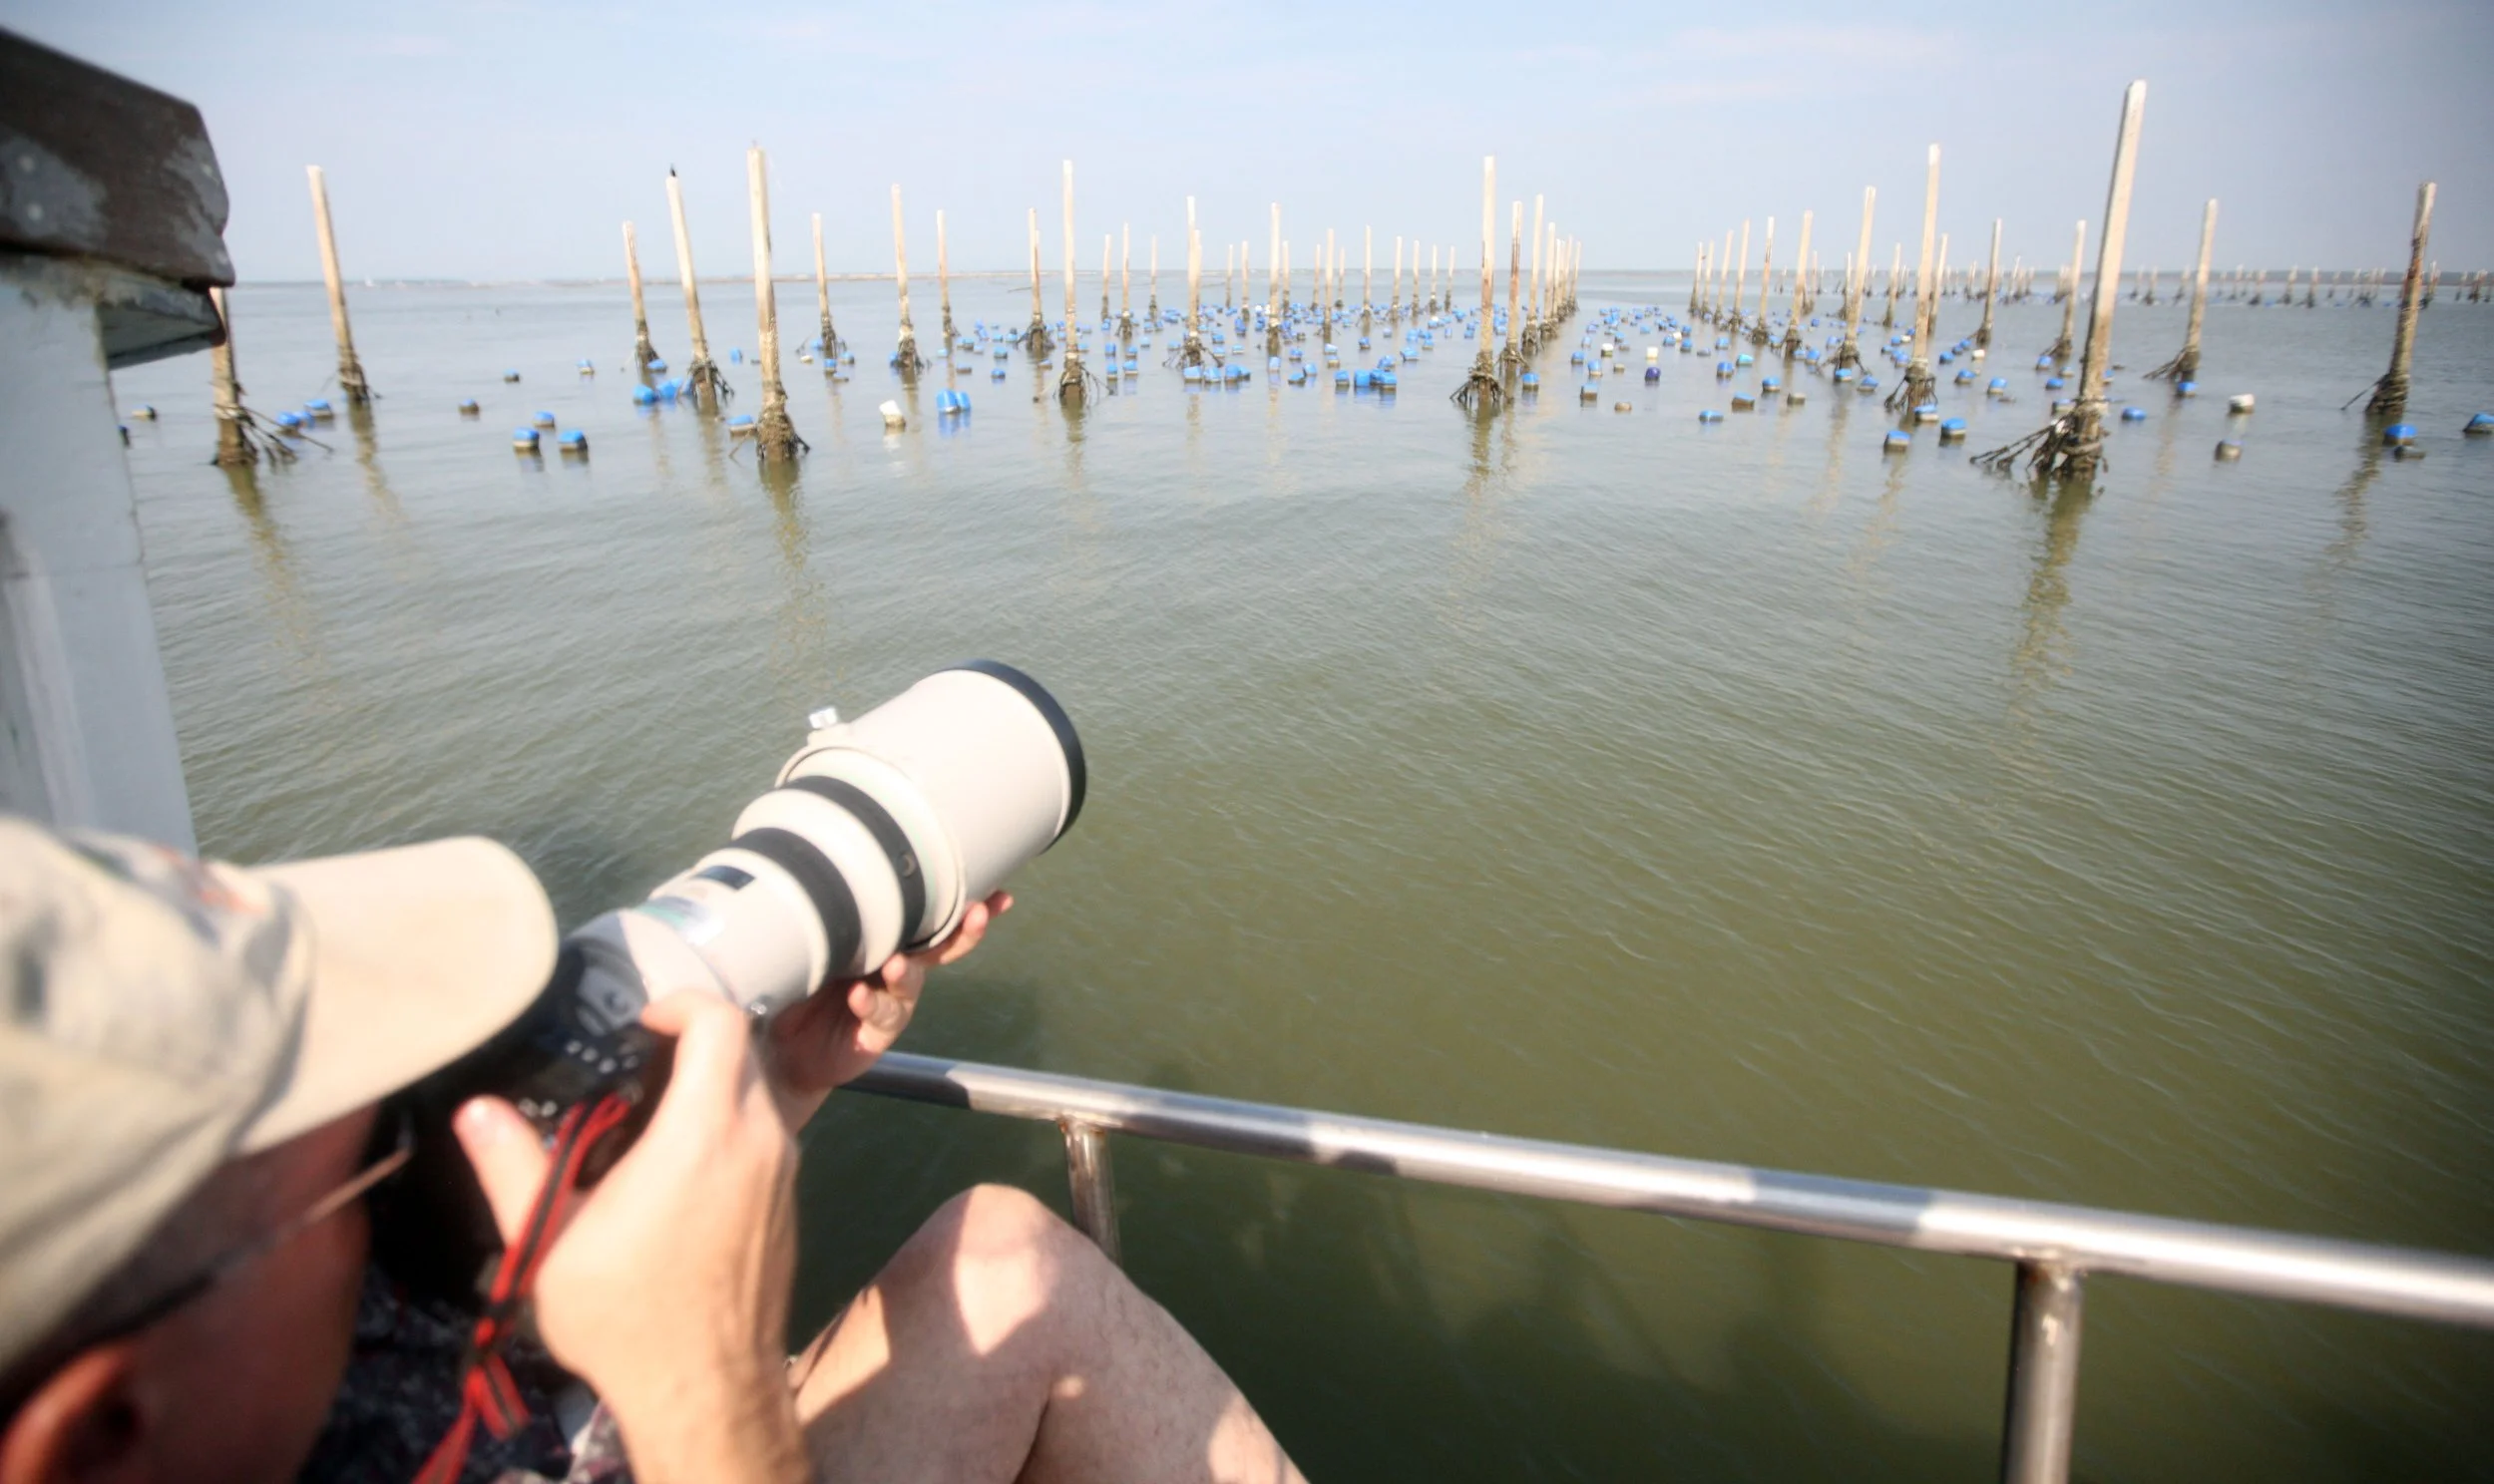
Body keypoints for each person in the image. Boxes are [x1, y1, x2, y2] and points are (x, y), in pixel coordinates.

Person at [0, 818, 1305, 1484]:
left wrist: (786, 1078)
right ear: (102, 1432)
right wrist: (700, 1384)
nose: (401, 1155)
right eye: (357, 1169)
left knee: (1008, 1259)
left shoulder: (268, 1382)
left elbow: (446, 1320)